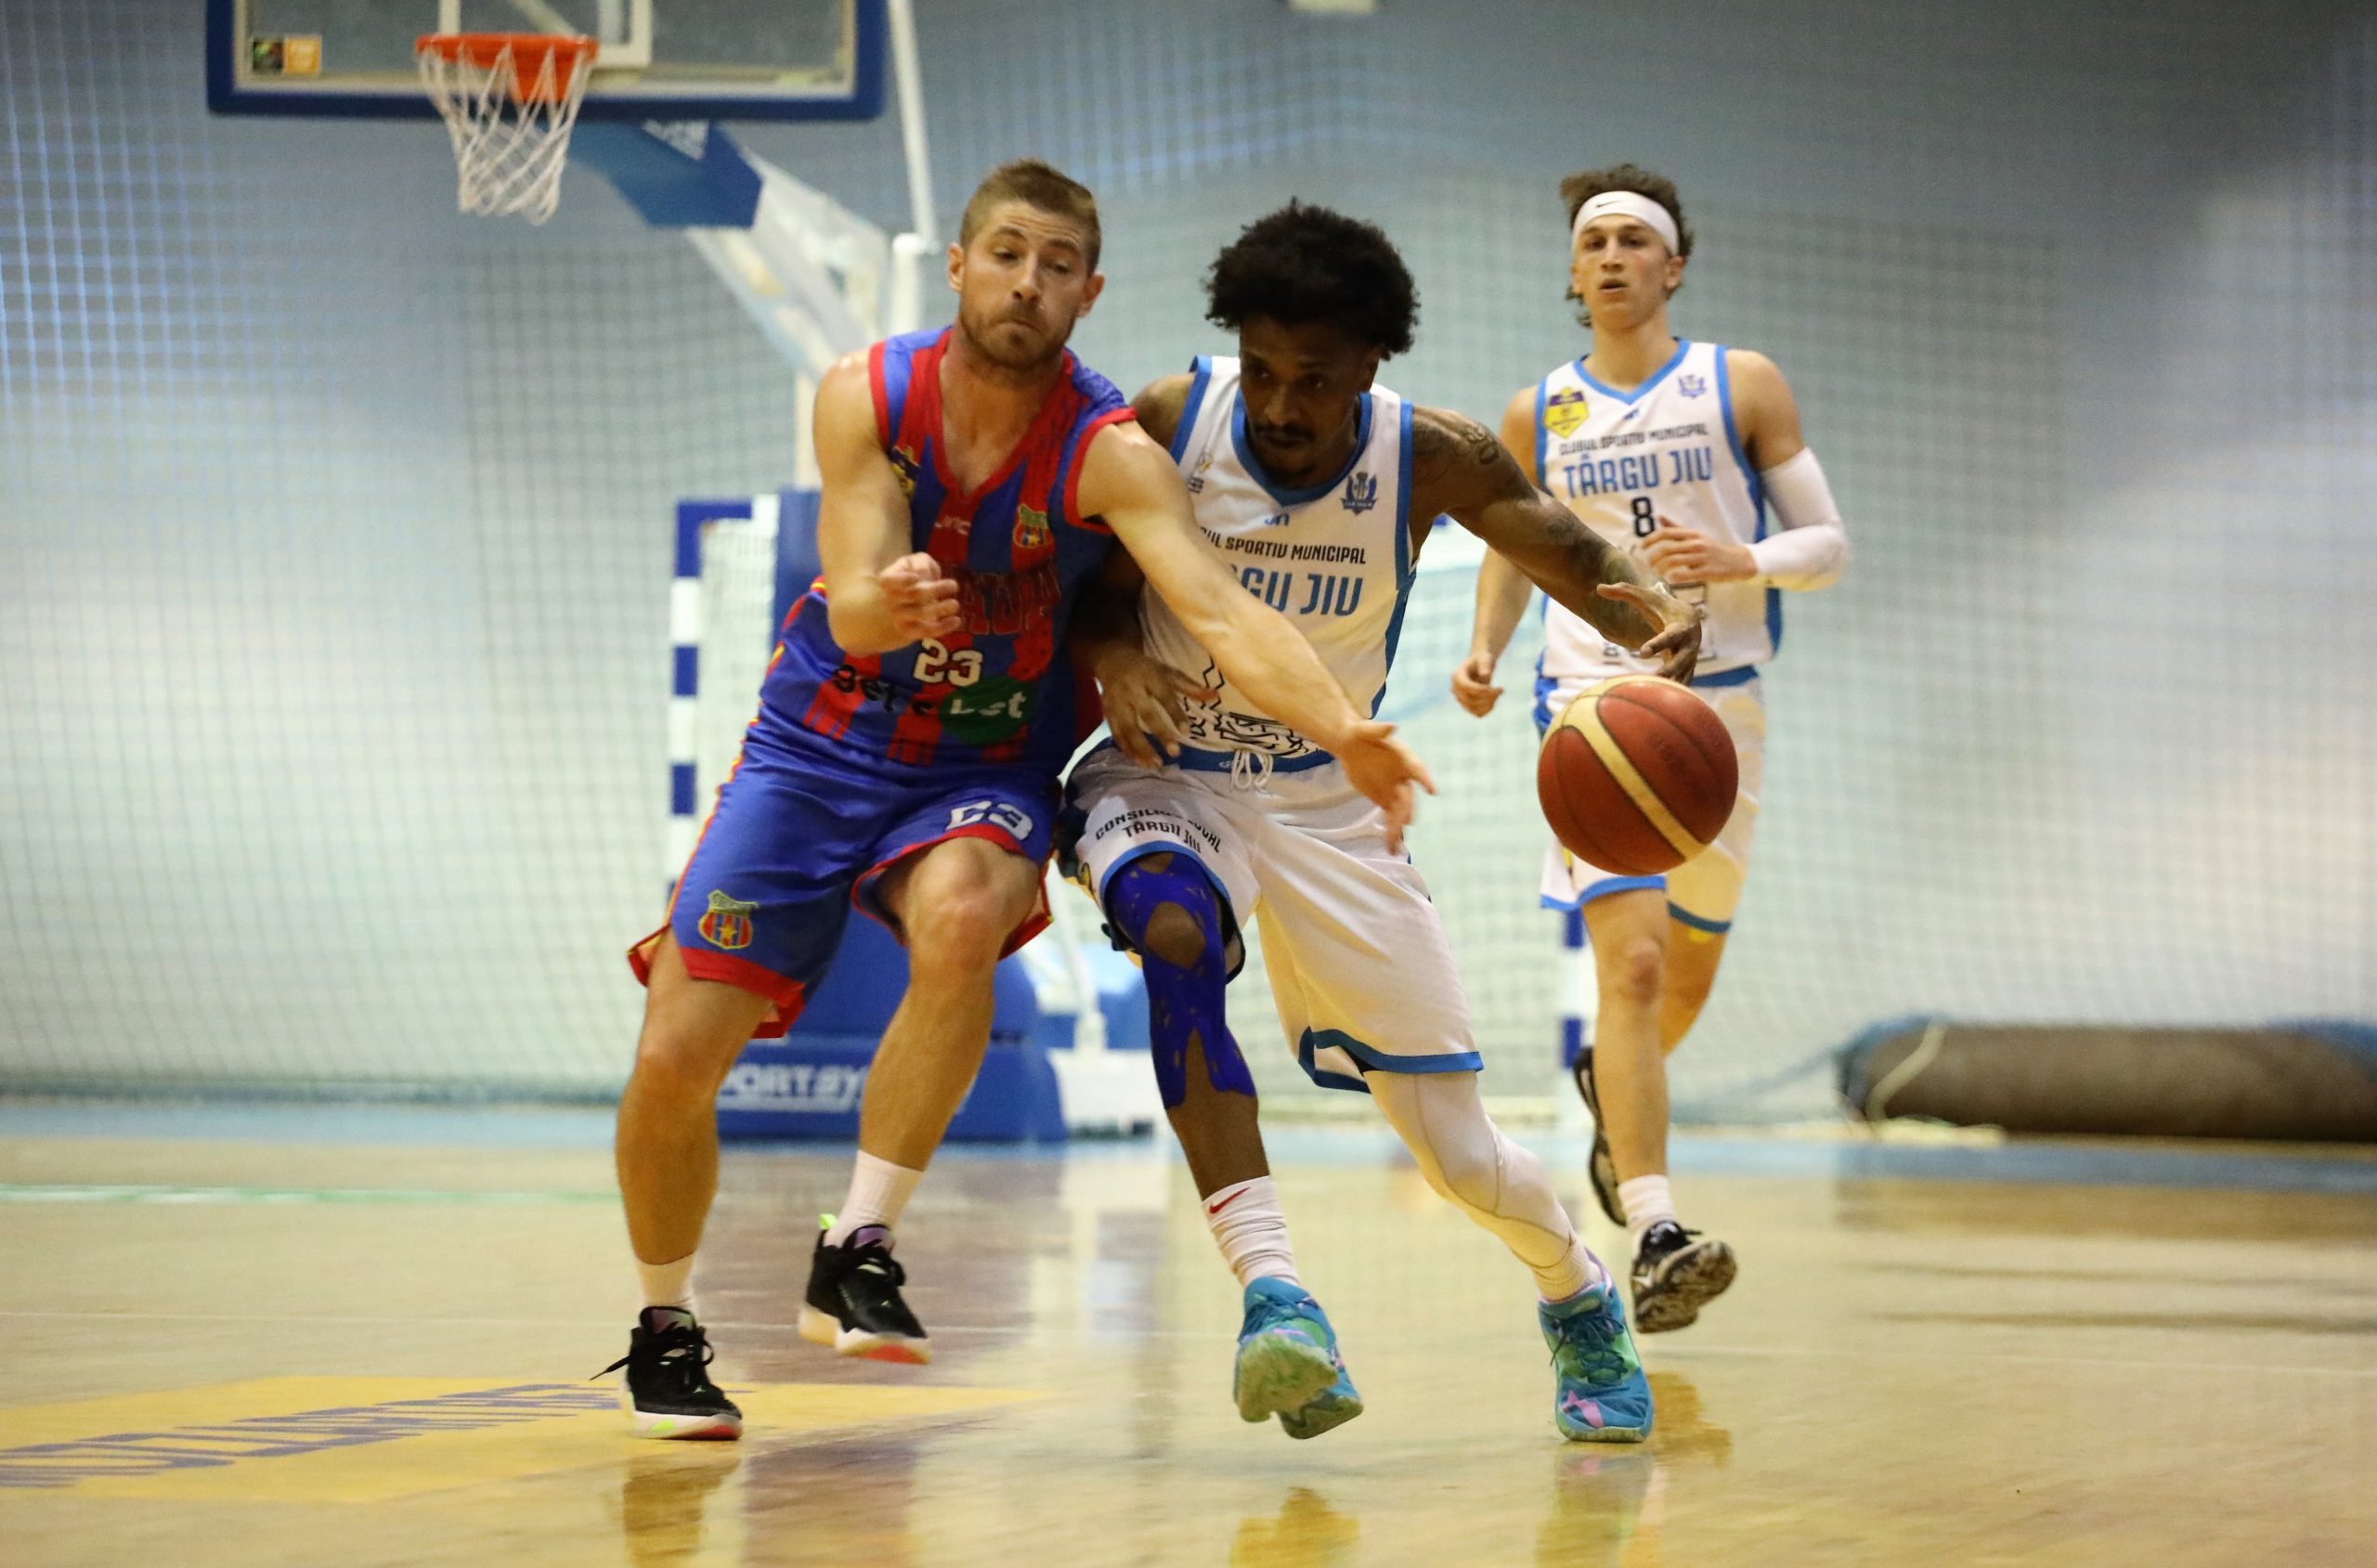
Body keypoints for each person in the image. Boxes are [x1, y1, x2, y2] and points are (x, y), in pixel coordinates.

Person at [603, 162, 1432, 1439]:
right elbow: (853, 598)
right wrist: (888, 602)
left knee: (962, 920)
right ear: (959, 264)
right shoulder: (868, 394)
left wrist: (1344, 727)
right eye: (1005, 254)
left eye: (1056, 265)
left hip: (981, 762)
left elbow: (1219, 609)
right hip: (819, 747)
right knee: (671, 1055)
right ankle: (664, 1324)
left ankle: (859, 1242)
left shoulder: (1109, 451)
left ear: (1088, 292)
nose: (1026, 283)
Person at [1062, 201, 1702, 1444]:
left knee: (1460, 1160)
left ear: (1371, 364)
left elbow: (1568, 550)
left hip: (1331, 810)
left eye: (1313, 378)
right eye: (1261, 370)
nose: (1279, 404)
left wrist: (1654, 615)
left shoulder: (1432, 453)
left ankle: (1575, 1292)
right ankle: (1276, 1296)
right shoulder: (1172, 419)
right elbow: (1086, 593)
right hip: (1170, 778)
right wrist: (1114, 658)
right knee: (1172, 930)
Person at [1452, 163, 1850, 1333]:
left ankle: (1609, 1091)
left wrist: (1744, 560)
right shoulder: (1535, 413)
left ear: (1672, 266)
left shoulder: (1740, 382)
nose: (1613, 257)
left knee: (1682, 982)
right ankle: (1656, 1230)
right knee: (1626, 968)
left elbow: (1827, 543)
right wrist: (1483, 649)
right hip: (1593, 704)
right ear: (1574, 274)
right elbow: (1511, 545)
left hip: (1719, 714)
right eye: (1595, 244)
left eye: (1634, 240)